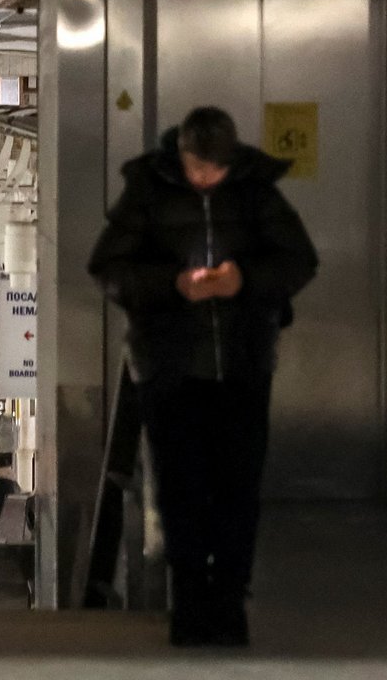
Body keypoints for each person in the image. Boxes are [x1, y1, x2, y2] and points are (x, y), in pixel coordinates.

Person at [87, 106, 317, 647]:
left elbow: (299, 260)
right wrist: (173, 286)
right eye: (196, 168)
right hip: (169, 367)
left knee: (238, 486)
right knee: (180, 486)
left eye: (214, 170)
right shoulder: (147, 190)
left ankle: (229, 597)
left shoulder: (256, 192)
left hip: (242, 363)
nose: (204, 179)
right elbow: (108, 268)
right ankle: (189, 600)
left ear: (230, 161)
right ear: (181, 155)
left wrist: (244, 280)